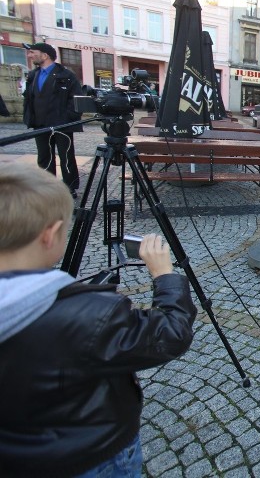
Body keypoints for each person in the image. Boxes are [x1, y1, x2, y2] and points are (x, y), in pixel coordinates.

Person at [0, 162, 197, 477]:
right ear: (50, 235)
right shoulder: (86, 314)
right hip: (94, 458)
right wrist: (164, 274)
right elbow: (171, 334)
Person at [22, 42, 83, 198]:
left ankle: (70, 187)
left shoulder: (66, 75)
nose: (30, 55)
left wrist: (69, 118)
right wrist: (30, 117)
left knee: (66, 157)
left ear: (45, 55)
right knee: (44, 157)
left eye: (32, 52)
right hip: (41, 123)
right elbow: (29, 98)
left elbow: (76, 99)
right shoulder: (33, 75)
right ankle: (48, 188)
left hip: (62, 124)